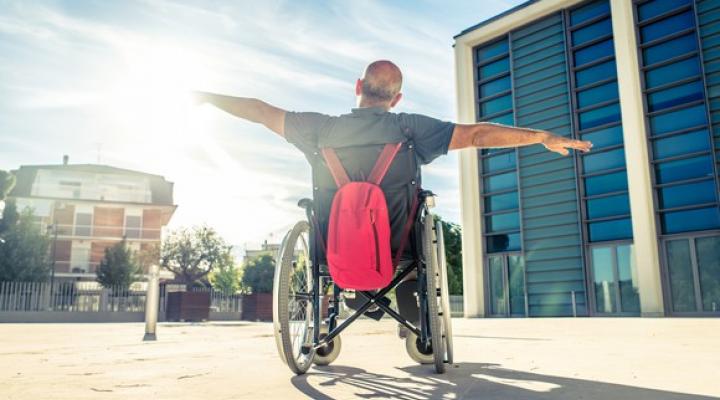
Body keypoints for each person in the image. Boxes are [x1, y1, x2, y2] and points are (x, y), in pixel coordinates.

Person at [194, 60, 592, 325]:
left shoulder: (317, 128)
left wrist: (207, 97)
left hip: (332, 249)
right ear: (396, 99)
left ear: (358, 87)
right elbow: (476, 134)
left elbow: (262, 112)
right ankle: (406, 298)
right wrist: (540, 136)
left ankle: (340, 300)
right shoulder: (410, 128)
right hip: (397, 250)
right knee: (413, 228)